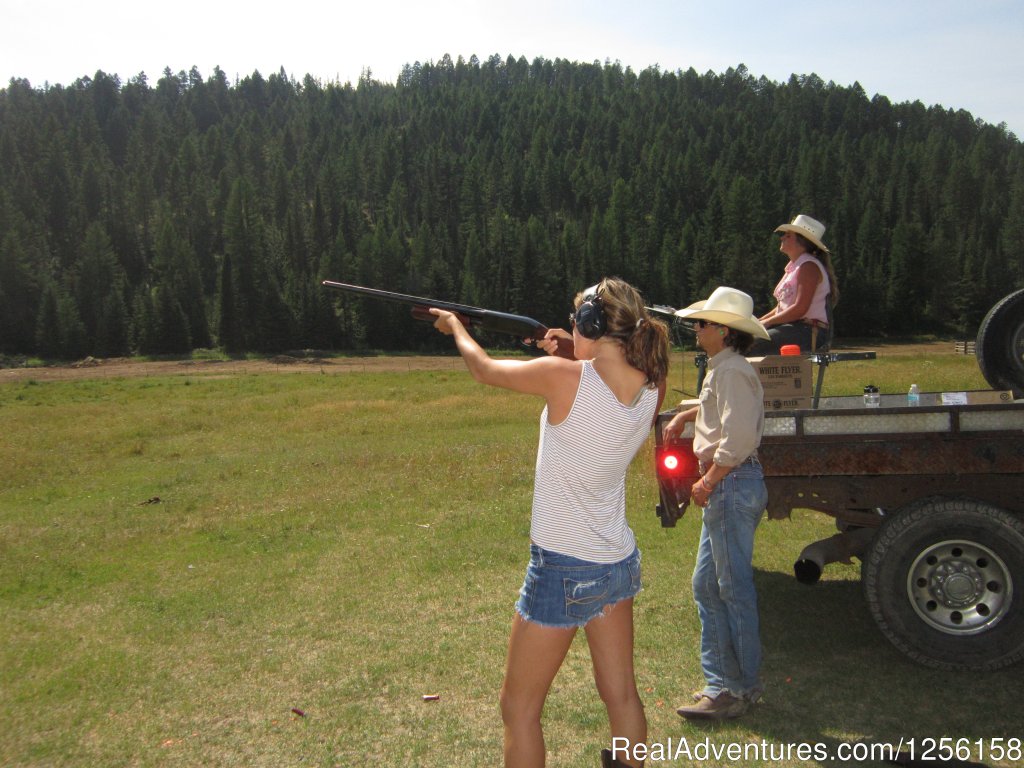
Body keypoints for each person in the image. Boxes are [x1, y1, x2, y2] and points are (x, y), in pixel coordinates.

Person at [430, 277, 670, 768]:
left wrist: (455, 326)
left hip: (563, 565)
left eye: (578, 319)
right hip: (616, 562)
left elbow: (483, 369)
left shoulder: (566, 378)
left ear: (590, 325)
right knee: (621, 696)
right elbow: (605, 374)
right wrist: (569, 346)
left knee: (518, 709)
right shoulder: (652, 385)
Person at [662, 286, 770, 720]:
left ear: (723, 331)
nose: (696, 329)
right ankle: (722, 682)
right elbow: (721, 413)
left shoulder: (730, 372)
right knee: (708, 586)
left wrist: (709, 479)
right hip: (731, 484)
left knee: (729, 587)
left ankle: (738, 687)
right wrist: (689, 414)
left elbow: (738, 436)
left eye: (703, 324)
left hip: (730, 483)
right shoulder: (723, 369)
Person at [748, 214, 840, 355]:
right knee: (744, 340)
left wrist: (766, 323)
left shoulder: (808, 266)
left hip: (807, 331)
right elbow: (782, 308)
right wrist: (758, 322)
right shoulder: (797, 266)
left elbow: (800, 309)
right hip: (797, 329)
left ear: (802, 242)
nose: (782, 237)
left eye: (788, 235)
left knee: (748, 345)